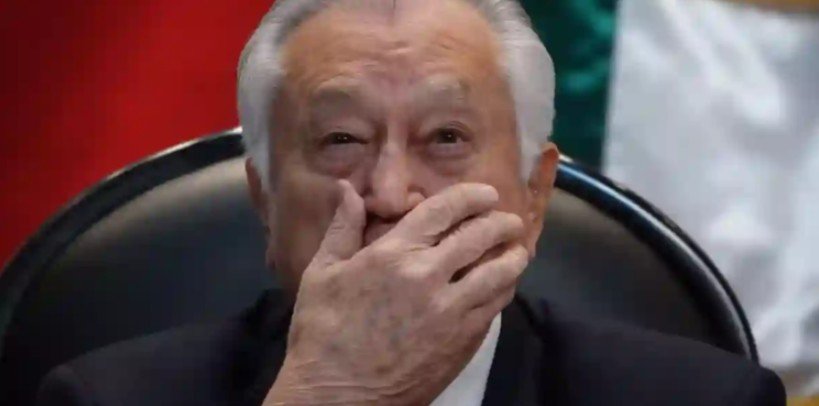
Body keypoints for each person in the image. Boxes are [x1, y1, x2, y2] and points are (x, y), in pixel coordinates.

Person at [36, 0, 786, 405]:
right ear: (264, 198)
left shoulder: (699, 400)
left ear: (533, 197)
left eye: (447, 138)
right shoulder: (104, 399)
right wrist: (329, 395)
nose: (391, 195)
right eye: (340, 141)